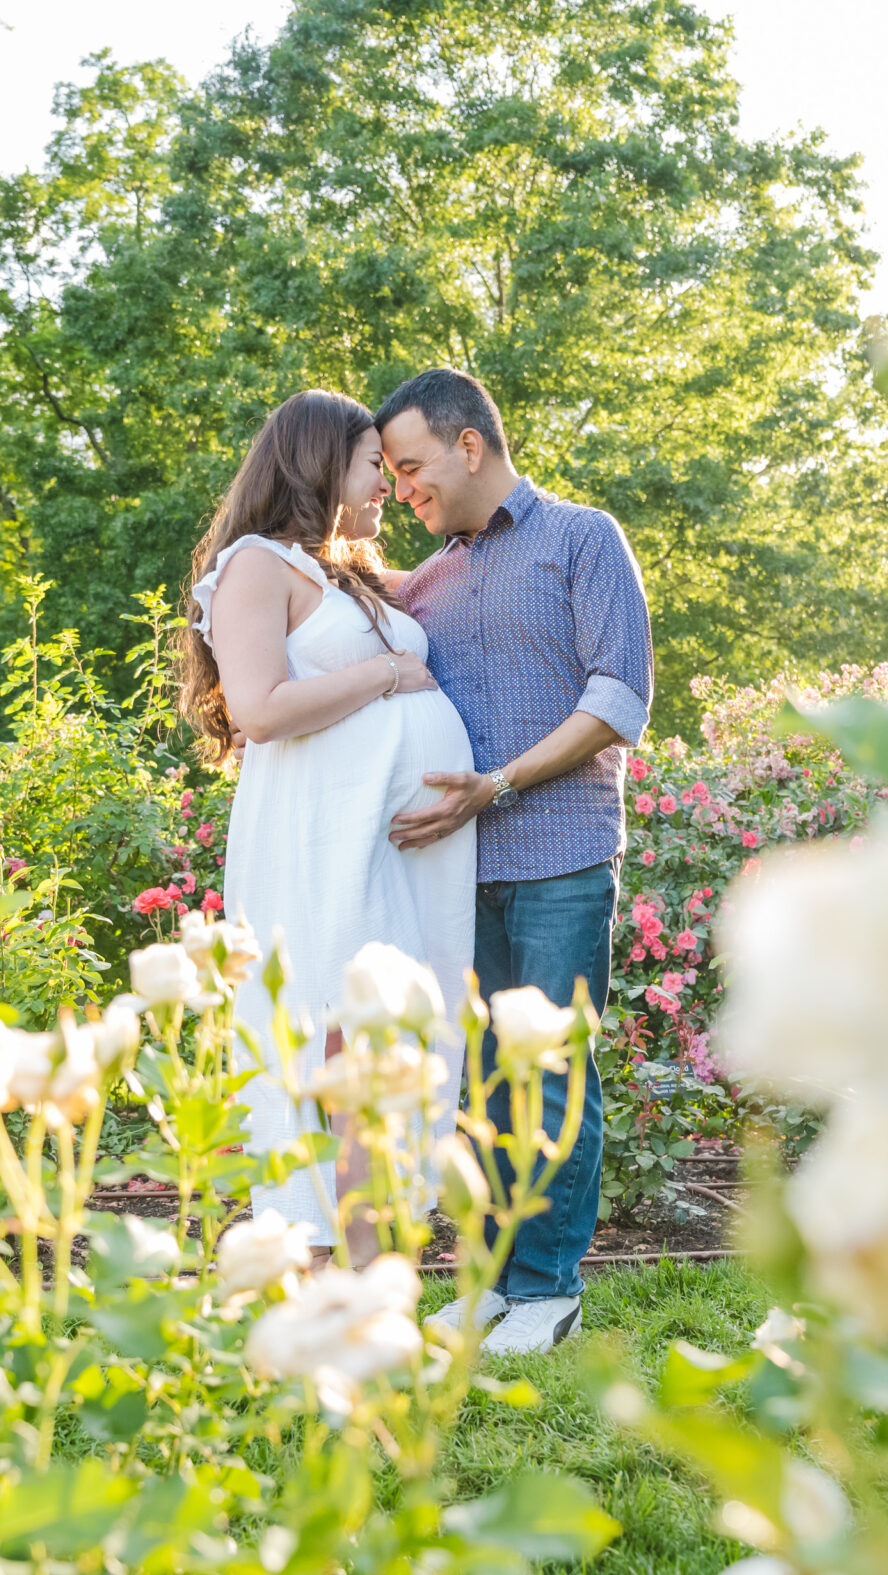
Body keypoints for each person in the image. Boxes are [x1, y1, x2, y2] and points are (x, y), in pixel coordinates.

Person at [378, 368, 655, 1355]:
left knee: (549, 1080)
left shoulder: (583, 538)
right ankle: (491, 1280)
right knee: (480, 1083)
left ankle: (547, 1289)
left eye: (410, 468)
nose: (402, 490)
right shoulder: (425, 579)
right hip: (459, 871)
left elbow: (619, 695)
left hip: (560, 855)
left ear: (467, 444)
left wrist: (499, 782)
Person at [177, 389, 477, 1263]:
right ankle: (360, 1281)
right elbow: (263, 708)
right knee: (355, 1044)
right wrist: (388, 672)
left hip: (395, 851)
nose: (385, 484)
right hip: (324, 844)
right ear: (318, 463)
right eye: (372, 466)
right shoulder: (255, 566)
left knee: (396, 1047)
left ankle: (378, 1271)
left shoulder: (343, 573)